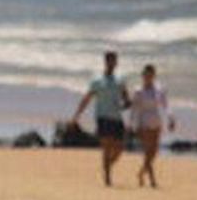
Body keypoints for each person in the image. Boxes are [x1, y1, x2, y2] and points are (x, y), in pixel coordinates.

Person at [70, 50, 131, 186]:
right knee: (106, 147)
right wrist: (77, 115)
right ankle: (108, 177)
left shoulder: (120, 79)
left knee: (119, 148)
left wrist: (127, 104)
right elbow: (87, 98)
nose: (112, 63)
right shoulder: (97, 80)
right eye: (109, 60)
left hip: (117, 117)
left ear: (116, 63)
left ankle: (107, 166)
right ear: (105, 62)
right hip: (102, 117)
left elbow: (127, 98)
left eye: (114, 61)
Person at [131, 63, 175, 189]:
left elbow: (166, 105)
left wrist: (171, 118)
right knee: (147, 152)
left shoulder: (159, 89)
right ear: (143, 76)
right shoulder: (138, 91)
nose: (148, 77)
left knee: (154, 152)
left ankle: (141, 173)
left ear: (154, 76)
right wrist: (132, 125)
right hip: (143, 123)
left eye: (150, 75)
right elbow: (134, 109)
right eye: (146, 75)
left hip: (156, 122)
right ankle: (152, 180)